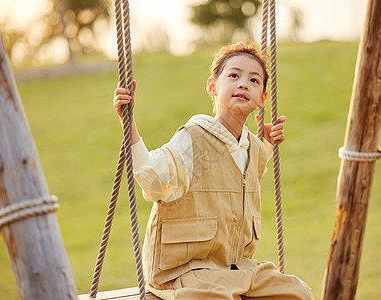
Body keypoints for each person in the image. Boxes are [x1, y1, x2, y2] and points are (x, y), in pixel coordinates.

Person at [113, 42, 312, 300]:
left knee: (296, 292)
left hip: (235, 267)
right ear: (212, 87)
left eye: (254, 80)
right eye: (233, 75)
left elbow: (245, 174)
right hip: (182, 271)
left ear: (262, 98)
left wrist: (266, 143)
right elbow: (153, 182)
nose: (243, 84)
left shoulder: (251, 147)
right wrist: (127, 121)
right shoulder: (195, 139)